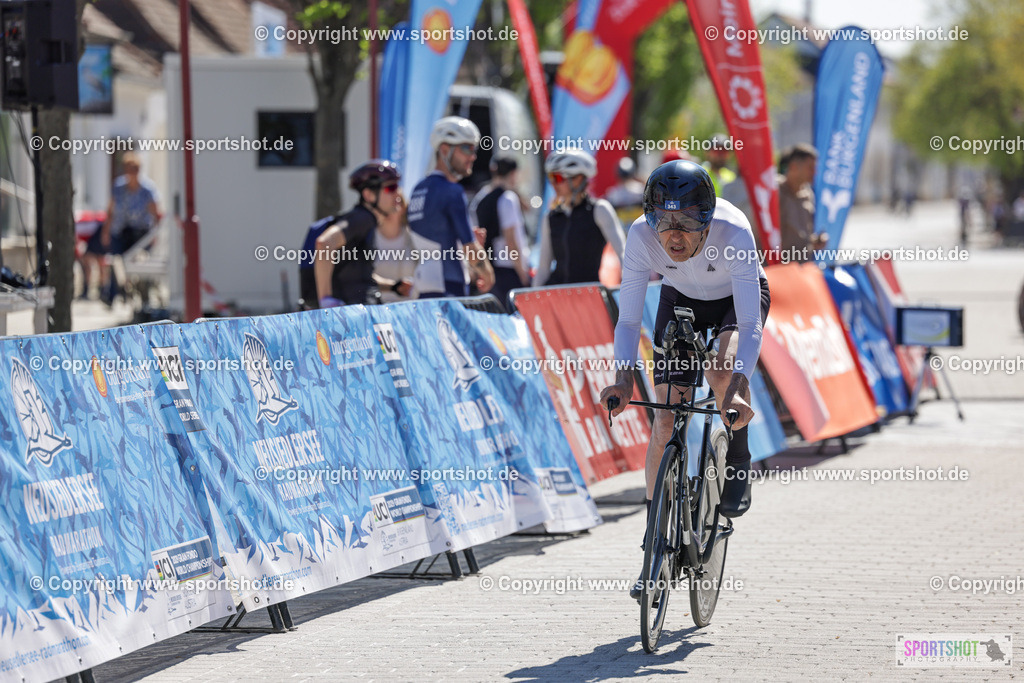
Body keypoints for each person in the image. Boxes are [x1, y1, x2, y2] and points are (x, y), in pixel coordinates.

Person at [598, 160, 771, 601]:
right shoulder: (640, 237)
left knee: (720, 367)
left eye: (688, 223)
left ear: (707, 218)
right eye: (664, 222)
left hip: (736, 302)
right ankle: (655, 544)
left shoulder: (733, 233)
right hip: (680, 299)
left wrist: (736, 383)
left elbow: (750, 322)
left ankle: (738, 448)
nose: (674, 236)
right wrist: (622, 380)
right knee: (663, 423)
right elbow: (628, 319)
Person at [407, 116, 494, 298]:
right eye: (466, 148)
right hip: (448, 285)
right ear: (445, 150)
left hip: (423, 284)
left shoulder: (418, 189)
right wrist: (487, 272)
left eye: (474, 149)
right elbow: (469, 248)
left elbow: (438, 238)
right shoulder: (451, 191)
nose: (473, 156)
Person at [312, 159, 404, 307]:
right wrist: (325, 299)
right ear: (368, 195)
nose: (397, 193)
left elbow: (357, 275)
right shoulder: (363, 218)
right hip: (352, 317)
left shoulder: (367, 222)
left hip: (359, 311)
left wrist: (393, 286)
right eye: (390, 188)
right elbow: (324, 243)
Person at [534, 148, 625, 286]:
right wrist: (531, 300)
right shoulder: (551, 217)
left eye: (558, 178)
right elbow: (543, 269)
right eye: (551, 177)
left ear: (578, 179)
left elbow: (623, 253)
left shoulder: (599, 210)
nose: (553, 183)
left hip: (587, 296)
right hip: (556, 294)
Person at [83, 153, 161, 304]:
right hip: (121, 231)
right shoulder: (118, 187)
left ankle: (143, 296)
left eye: (134, 170)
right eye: (128, 170)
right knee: (115, 260)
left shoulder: (147, 190)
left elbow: (155, 213)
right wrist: (106, 231)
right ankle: (112, 295)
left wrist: (155, 236)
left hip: (140, 233)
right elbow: (110, 211)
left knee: (140, 263)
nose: (131, 174)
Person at [468, 157, 531, 310]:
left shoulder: (480, 197)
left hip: (488, 268)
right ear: (513, 173)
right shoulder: (507, 198)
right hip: (508, 270)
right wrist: (522, 273)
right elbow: (511, 239)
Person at [777, 143, 826, 260]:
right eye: (810, 168)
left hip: (803, 270)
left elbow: (803, 235)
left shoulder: (808, 194)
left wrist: (815, 241)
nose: (815, 173)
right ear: (794, 167)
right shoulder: (774, 191)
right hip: (778, 270)